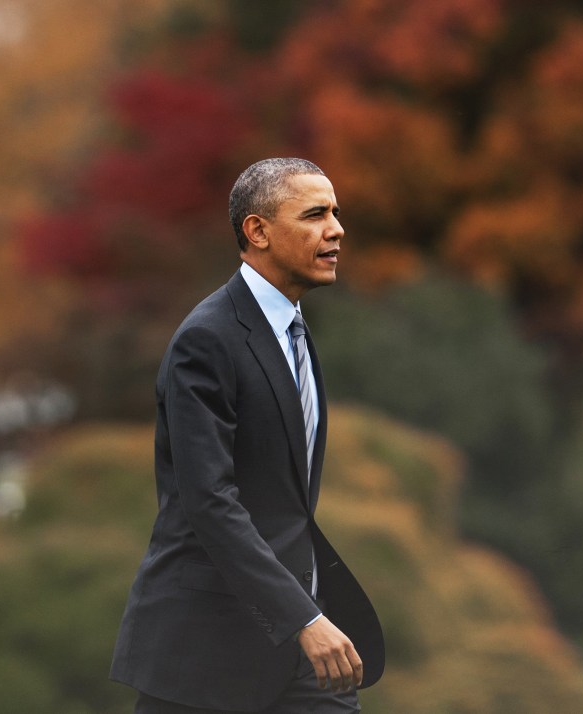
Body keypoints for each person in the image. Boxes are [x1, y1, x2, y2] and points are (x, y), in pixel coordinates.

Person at [110, 158, 385, 713]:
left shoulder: (293, 331)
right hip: (207, 654)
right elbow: (209, 501)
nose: (336, 229)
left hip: (295, 648)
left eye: (335, 213)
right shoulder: (207, 341)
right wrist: (304, 618)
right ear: (257, 231)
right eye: (314, 215)